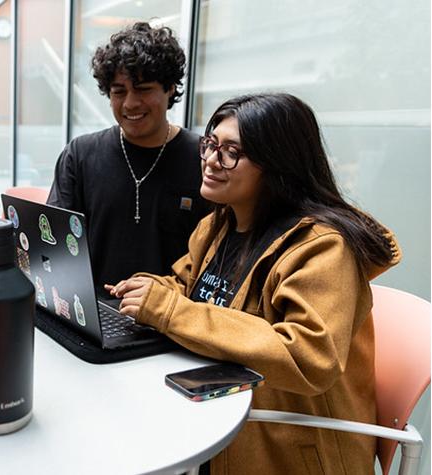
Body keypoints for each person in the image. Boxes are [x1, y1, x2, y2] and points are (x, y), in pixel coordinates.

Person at [107, 93, 400, 474]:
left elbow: (308, 357)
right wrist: (142, 289)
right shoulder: (218, 225)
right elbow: (183, 286)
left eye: (231, 152)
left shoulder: (323, 248)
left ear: (278, 165)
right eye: (210, 145)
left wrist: (167, 310)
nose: (211, 160)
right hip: (220, 414)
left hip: (287, 448)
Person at [48, 22, 210, 292]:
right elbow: (55, 242)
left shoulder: (205, 159)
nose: (130, 103)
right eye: (118, 91)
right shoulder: (80, 154)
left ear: (170, 88)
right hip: (92, 316)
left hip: (172, 321)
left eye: (144, 88)